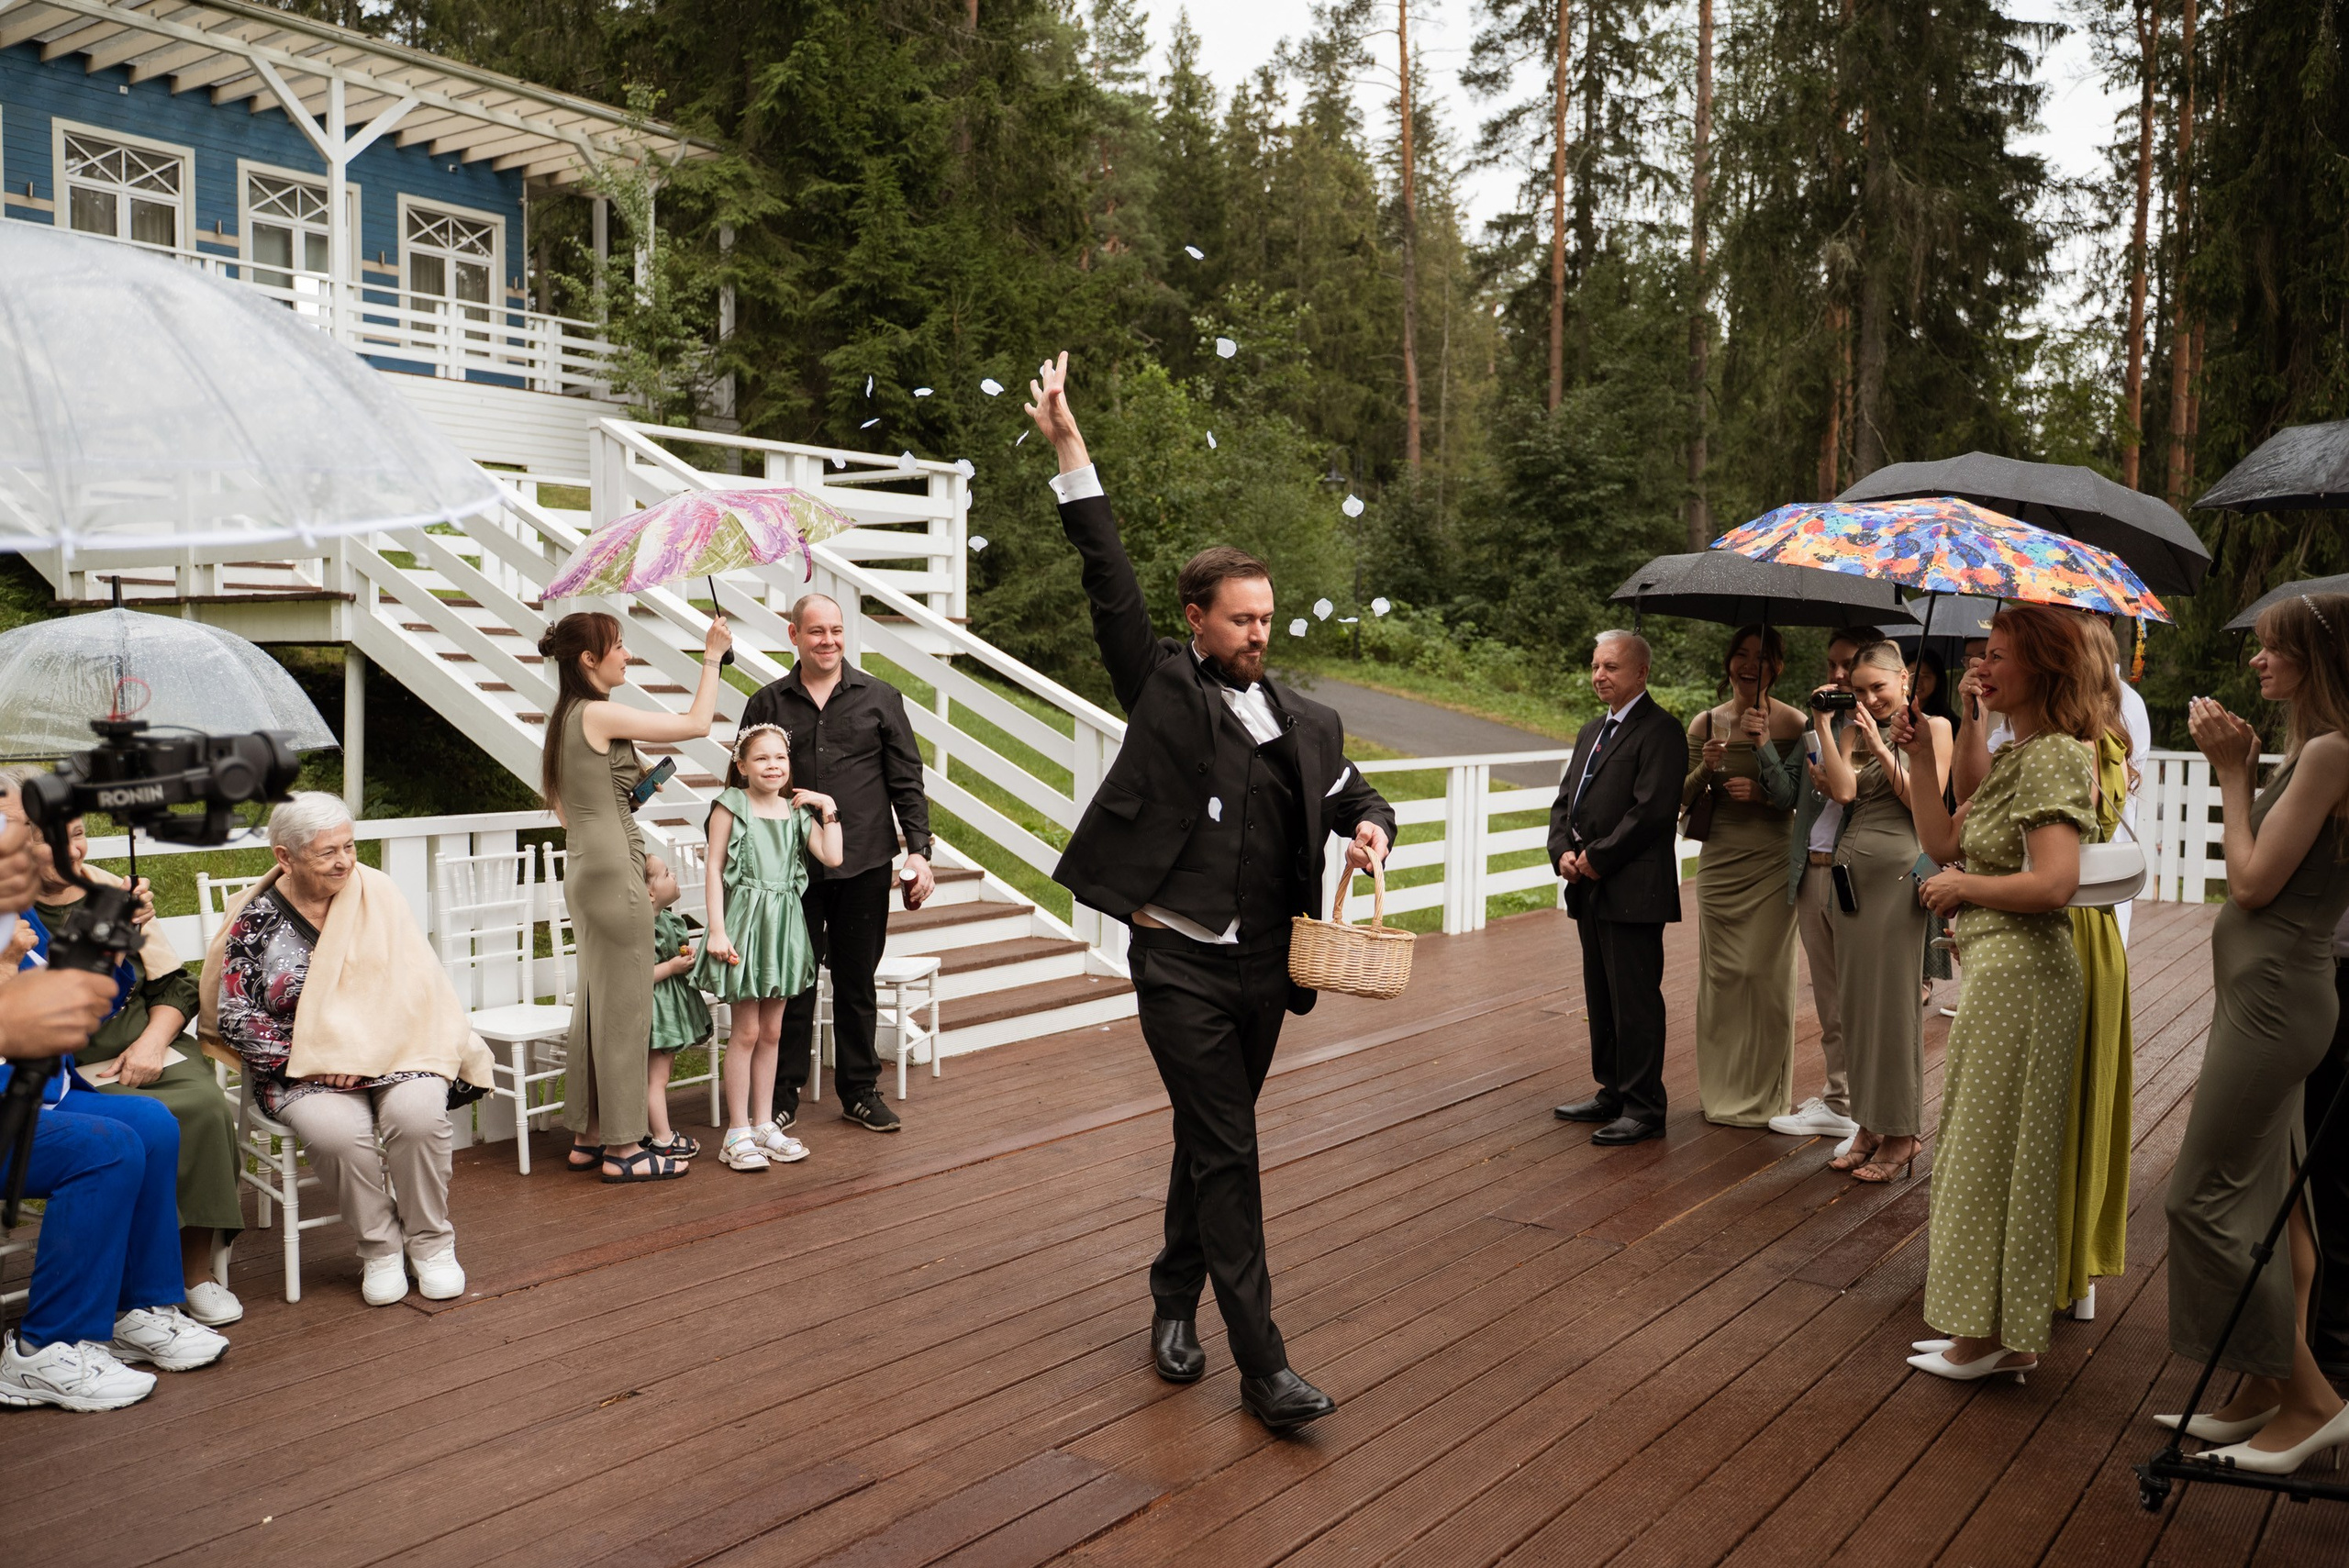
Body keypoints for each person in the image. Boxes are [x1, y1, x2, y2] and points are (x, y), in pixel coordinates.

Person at [1029, 351, 1395, 1432]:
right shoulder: (1161, 686)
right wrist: (1068, 448)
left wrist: (1370, 826)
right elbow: (1106, 572)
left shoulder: (1304, 721)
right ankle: (1264, 1367)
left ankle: (1169, 1294)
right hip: (1177, 956)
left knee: (1210, 1134)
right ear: (1197, 617)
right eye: (1241, 620)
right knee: (1230, 1144)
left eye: (1268, 619)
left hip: (1264, 968)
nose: (1259, 635)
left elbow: (1353, 793)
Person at [2159, 593, 2349, 1474]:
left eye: (2275, 649)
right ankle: (2266, 1384)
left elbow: (2250, 884)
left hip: (2275, 1005)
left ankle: (2313, 1400)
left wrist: (2232, 774)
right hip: (2271, 999)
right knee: (2279, 1205)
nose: (2257, 663)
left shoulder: (2332, 753)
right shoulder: (2314, 749)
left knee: (2197, 1199)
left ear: (2320, 658)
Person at [1898, 605, 2096, 1383]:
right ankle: (1990, 1331)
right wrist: (1919, 760)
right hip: (2001, 970)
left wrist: (1961, 889)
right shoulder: (2018, 753)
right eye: (1979, 654)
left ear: (2042, 669)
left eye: (1999, 656)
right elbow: (1942, 840)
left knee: (1991, 1155)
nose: (1981, 667)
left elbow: (2055, 881)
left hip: (2026, 977)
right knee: (1985, 1153)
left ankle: (1990, 1338)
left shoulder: (2051, 756)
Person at [204, 793, 495, 1307]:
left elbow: (417, 985)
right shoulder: (259, 919)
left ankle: (430, 1243)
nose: (344, 861)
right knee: (338, 1133)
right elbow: (235, 1014)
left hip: (397, 1050)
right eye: (326, 852)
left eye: (349, 846)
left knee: (420, 1116)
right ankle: (380, 1249)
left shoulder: (377, 893)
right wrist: (318, 1057)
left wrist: (364, 1053)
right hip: (301, 1067)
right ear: (285, 857)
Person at [0, 811, 221, 1412]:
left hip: (42, 1090)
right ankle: (41, 1348)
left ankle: (135, 1307)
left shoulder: (17, 917)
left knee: (149, 1123)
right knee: (108, 1146)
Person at [539, 608, 731, 1183]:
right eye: (618, 646)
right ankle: (625, 1151)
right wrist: (714, 656)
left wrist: (635, 842)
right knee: (626, 1011)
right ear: (588, 660)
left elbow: (573, 806)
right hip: (610, 872)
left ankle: (589, 1135)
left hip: (588, 865)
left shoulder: (567, 718)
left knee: (600, 1004)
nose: (627, 654)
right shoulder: (598, 711)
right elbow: (697, 724)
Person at [738, 593, 935, 1137]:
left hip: (865, 862)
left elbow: (906, 781)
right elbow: (741, 782)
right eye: (817, 631)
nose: (828, 640)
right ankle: (781, 1095)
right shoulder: (766, 704)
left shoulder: (880, 697)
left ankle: (859, 1091)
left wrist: (919, 850)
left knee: (855, 982)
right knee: (791, 984)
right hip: (787, 870)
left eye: (837, 631)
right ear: (793, 635)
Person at [1813, 641, 1948, 1183]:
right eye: (1860, 690)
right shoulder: (1852, 729)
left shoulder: (1932, 729)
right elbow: (1844, 793)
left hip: (1898, 878)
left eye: (1879, 688)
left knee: (1893, 1008)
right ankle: (1867, 1124)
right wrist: (1829, 726)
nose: (1870, 698)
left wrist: (1885, 746)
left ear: (1904, 682)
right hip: (1850, 879)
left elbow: (1925, 802)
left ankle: (1902, 1133)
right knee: (1856, 1007)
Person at [1548, 629, 1686, 1146]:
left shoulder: (1661, 731)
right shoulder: (1591, 731)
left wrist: (1596, 859)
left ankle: (1645, 1105)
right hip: (1588, 886)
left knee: (1635, 999)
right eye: (1595, 666)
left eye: (1612, 667)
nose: (1599, 676)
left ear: (1641, 673)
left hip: (1632, 886)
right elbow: (1566, 800)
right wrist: (1560, 848)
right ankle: (1612, 1090)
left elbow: (1651, 812)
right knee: (1601, 994)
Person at [694, 725, 841, 1172]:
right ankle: (736, 1130)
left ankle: (763, 1124)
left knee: (774, 1031)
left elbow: (833, 857)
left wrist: (827, 807)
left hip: (784, 928)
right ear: (742, 767)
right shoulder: (730, 806)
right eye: (761, 759)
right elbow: (714, 870)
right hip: (744, 924)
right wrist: (716, 930)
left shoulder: (797, 812)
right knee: (747, 1030)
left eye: (780, 758)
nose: (773, 765)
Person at [1685, 625, 1805, 1128]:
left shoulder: (1796, 724)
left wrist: (1762, 757)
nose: (1749, 664)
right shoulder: (1705, 722)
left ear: (1776, 667)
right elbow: (1682, 798)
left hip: (1771, 861)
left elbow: (1796, 799)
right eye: (1741, 655)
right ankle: (1721, 1092)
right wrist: (1705, 767)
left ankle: (1766, 1094)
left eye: (1761, 657)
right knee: (1724, 978)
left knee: (1763, 974)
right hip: (1719, 864)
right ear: (1729, 663)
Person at [2054, 617, 2138, 1318]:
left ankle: (2056, 1268)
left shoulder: (2071, 754)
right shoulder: (2109, 742)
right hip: (2099, 934)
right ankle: (2074, 1274)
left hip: (2067, 928)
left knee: (2062, 1101)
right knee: (2084, 1096)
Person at [1771, 627, 1876, 1143]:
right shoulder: (1819, 725)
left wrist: (1839, 777)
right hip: (1809, 871)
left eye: (1848, 665)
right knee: (1829, 998)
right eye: (1832, 664)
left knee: (1859, 999)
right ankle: (1839, 1100)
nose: (1836, 675)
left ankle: (1859, 1105)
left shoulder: (1881, 729)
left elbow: (1873, 803)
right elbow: (1784, 791)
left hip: (1853, 875)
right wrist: (1761, 745)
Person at [641, 853, 707, 1163]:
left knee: (658, 1076)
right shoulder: (642, 928)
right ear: (650, 892)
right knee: (657, 1078)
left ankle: (651, 1130)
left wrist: (684, 956)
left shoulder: (666, 920)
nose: (674, 876)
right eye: (667, 874)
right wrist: (671, 966)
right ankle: (663, 1138)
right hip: (657, 1013)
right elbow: (640, 975)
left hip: (667, 1007)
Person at [2308, 906, 2349, 1380]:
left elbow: (2251, 888)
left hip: (2338, 966)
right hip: (2327, 963)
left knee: (2331, 1159)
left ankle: (2334, 1332)